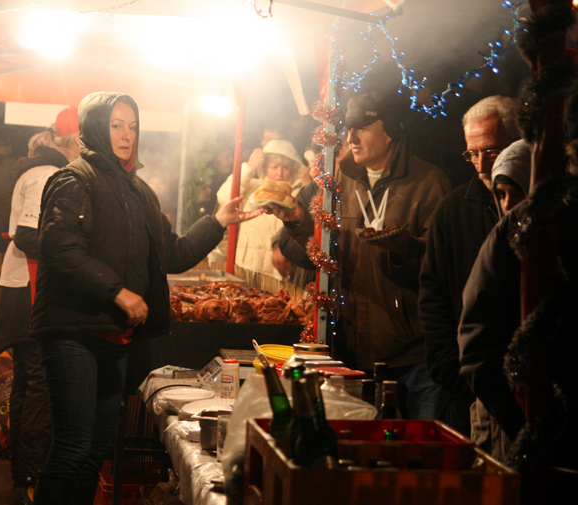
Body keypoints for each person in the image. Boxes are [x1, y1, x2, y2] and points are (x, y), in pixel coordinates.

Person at [29, 92, 260, 505]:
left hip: (114, 336)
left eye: (133, 126)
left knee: (94, 451)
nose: (126, 135)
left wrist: (217, 221)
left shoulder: (140, 192)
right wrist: (117, 292)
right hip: (72, 331)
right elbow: (59, 249)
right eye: (116, 125)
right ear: (95, 128)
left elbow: (174, 253)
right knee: (72, 448)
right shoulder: (74, 180)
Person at [267, 92, 451, 420]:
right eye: (348, 128)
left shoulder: (428, 182)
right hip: (351, 355)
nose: (351, 137)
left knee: (414, 447)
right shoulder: (337, 181)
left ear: (389, 130)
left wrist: (404, 248)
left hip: (414, 358)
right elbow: (320, 256)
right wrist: (297, 221)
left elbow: (444, 266)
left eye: (362, 128)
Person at [0, 107, 80, 505]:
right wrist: (76, 254)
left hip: (23, 288)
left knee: (29, 383)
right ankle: (32, 480)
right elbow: (26, 236)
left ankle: (22, 476)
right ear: (75, 142)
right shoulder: (46, 174)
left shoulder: (44, 170)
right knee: (40, 385)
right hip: (28, 290)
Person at [418, 96, 519, 437]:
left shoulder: (548, 206)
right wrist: (457, 376)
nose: (480, 164)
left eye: (490, 151)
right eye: (471, 153)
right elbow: (433, 296)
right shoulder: (453, 210)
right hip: (471, 392)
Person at [457, 139, 532, 462]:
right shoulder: (502, 239)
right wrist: (514, 418)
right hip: (507, 418)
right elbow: (477, 342)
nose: (509, 204)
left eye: (518, 192)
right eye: (501, 194)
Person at [216, 138, 305, 279]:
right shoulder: (252, 188)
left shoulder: (296, 195)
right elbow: (224, 197)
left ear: (292, 169)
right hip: (247, 270)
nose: (280, 173)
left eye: (286, 168)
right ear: (264, 167)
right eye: (274, 167)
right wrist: (249, 167)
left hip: (279, 274)